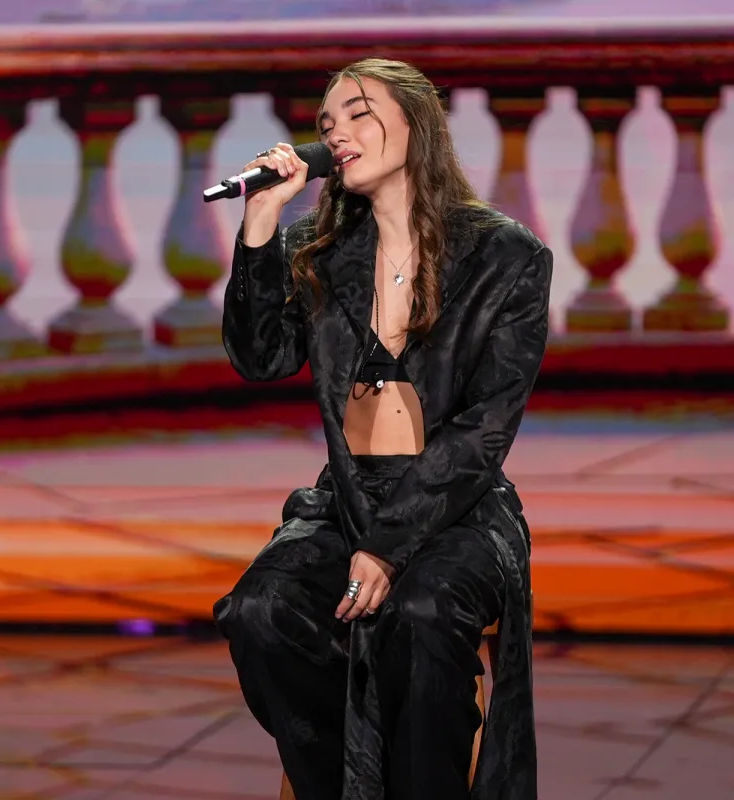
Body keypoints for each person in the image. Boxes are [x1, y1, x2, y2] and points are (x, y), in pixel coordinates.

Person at [212, 57, 551, 800]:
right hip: (345, 500)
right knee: (261, 611)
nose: (337, 133)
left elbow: (485, 429)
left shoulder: (506, 256)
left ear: (416, 125)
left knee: (423, 614)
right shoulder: (321, 247)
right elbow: (262, 357)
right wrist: (260, 226)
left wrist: (389, 546)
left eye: (359, 113)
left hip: (454, 505)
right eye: (327, 122)